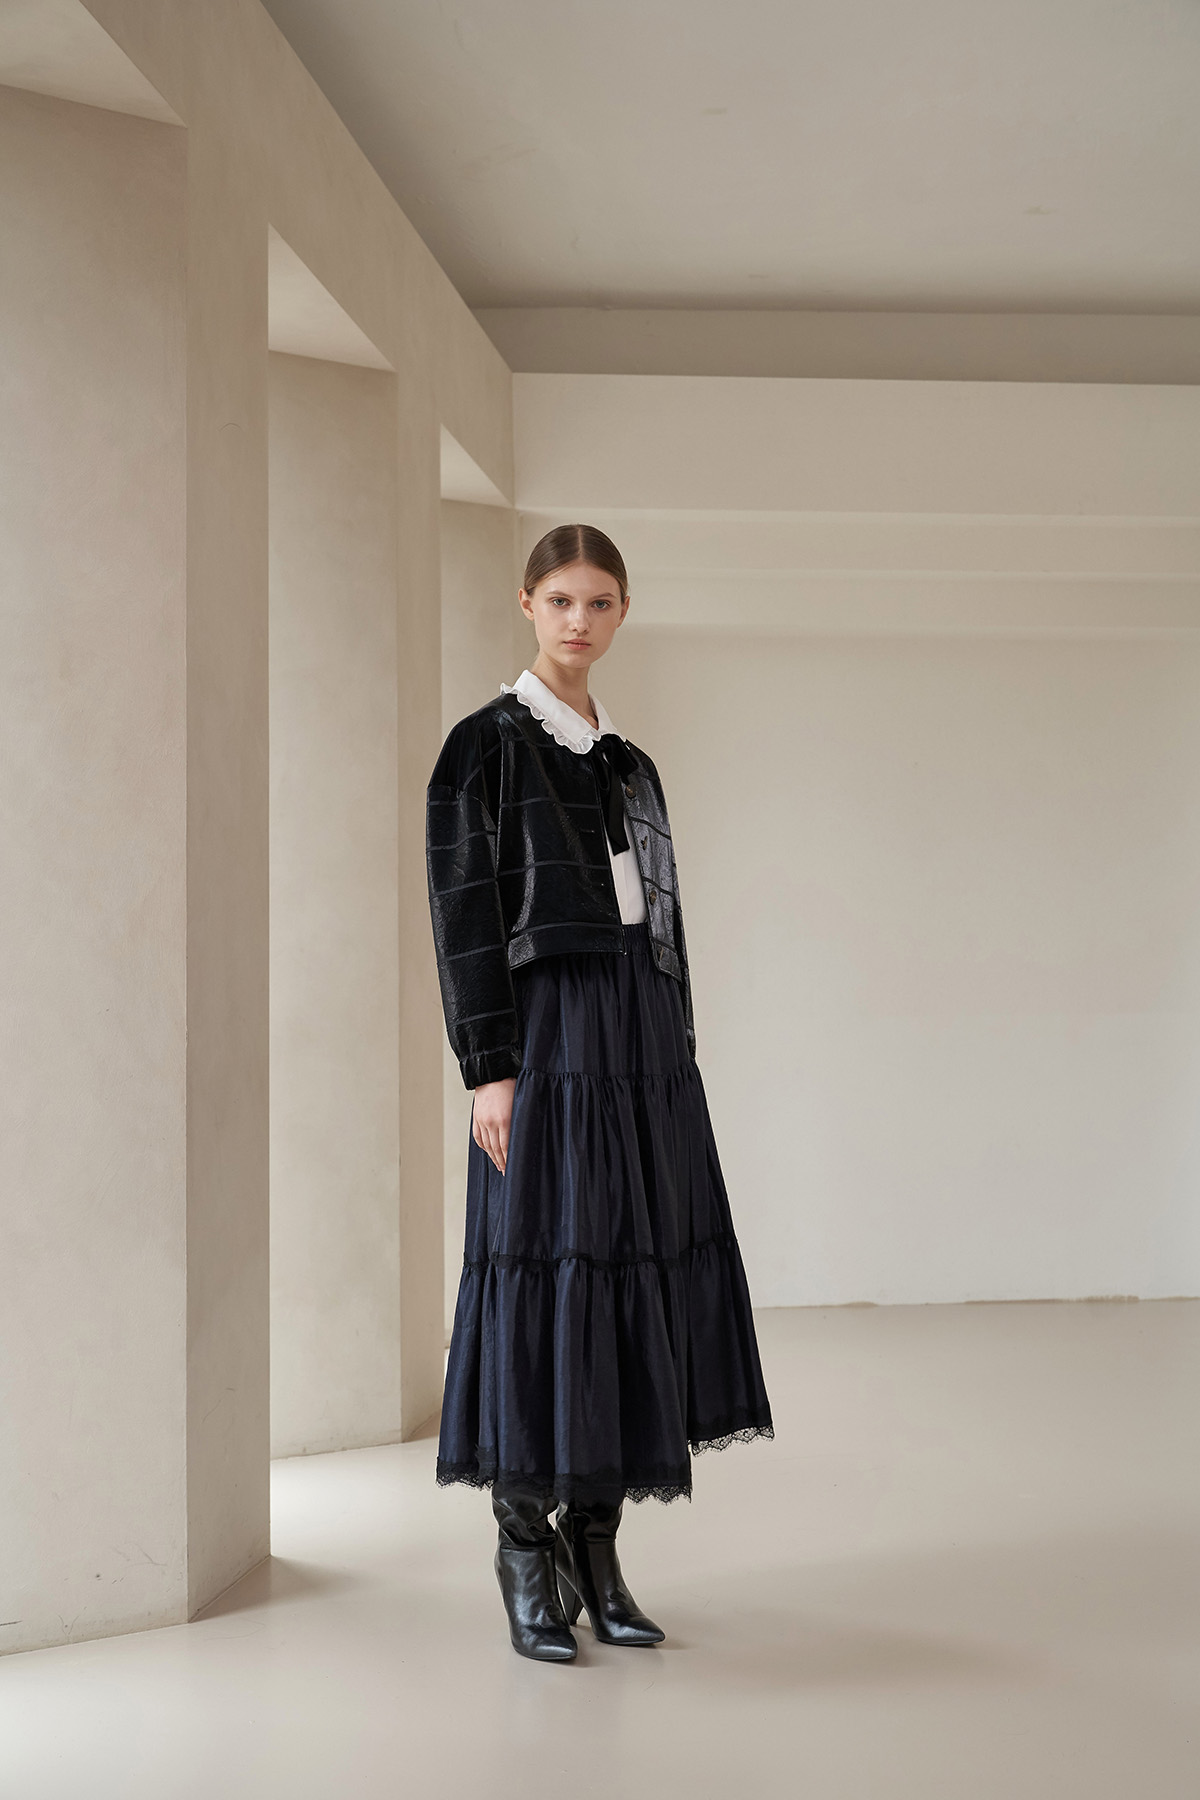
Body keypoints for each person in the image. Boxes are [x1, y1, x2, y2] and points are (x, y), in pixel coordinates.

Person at [426, 523, 773, 1662]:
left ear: (622, 612)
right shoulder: (484, 747)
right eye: (563, 600)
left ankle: (597, 1545)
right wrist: (489, 1067)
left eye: (602, 602)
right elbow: (465, 919)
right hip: (550, 1032)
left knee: (632, 1267)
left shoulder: (628, 761)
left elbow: (659, 919)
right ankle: (524, 1549)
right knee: (549, 1266)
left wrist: (673, 1049)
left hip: (638, 1036)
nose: (581, 621)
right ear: (527, 602)